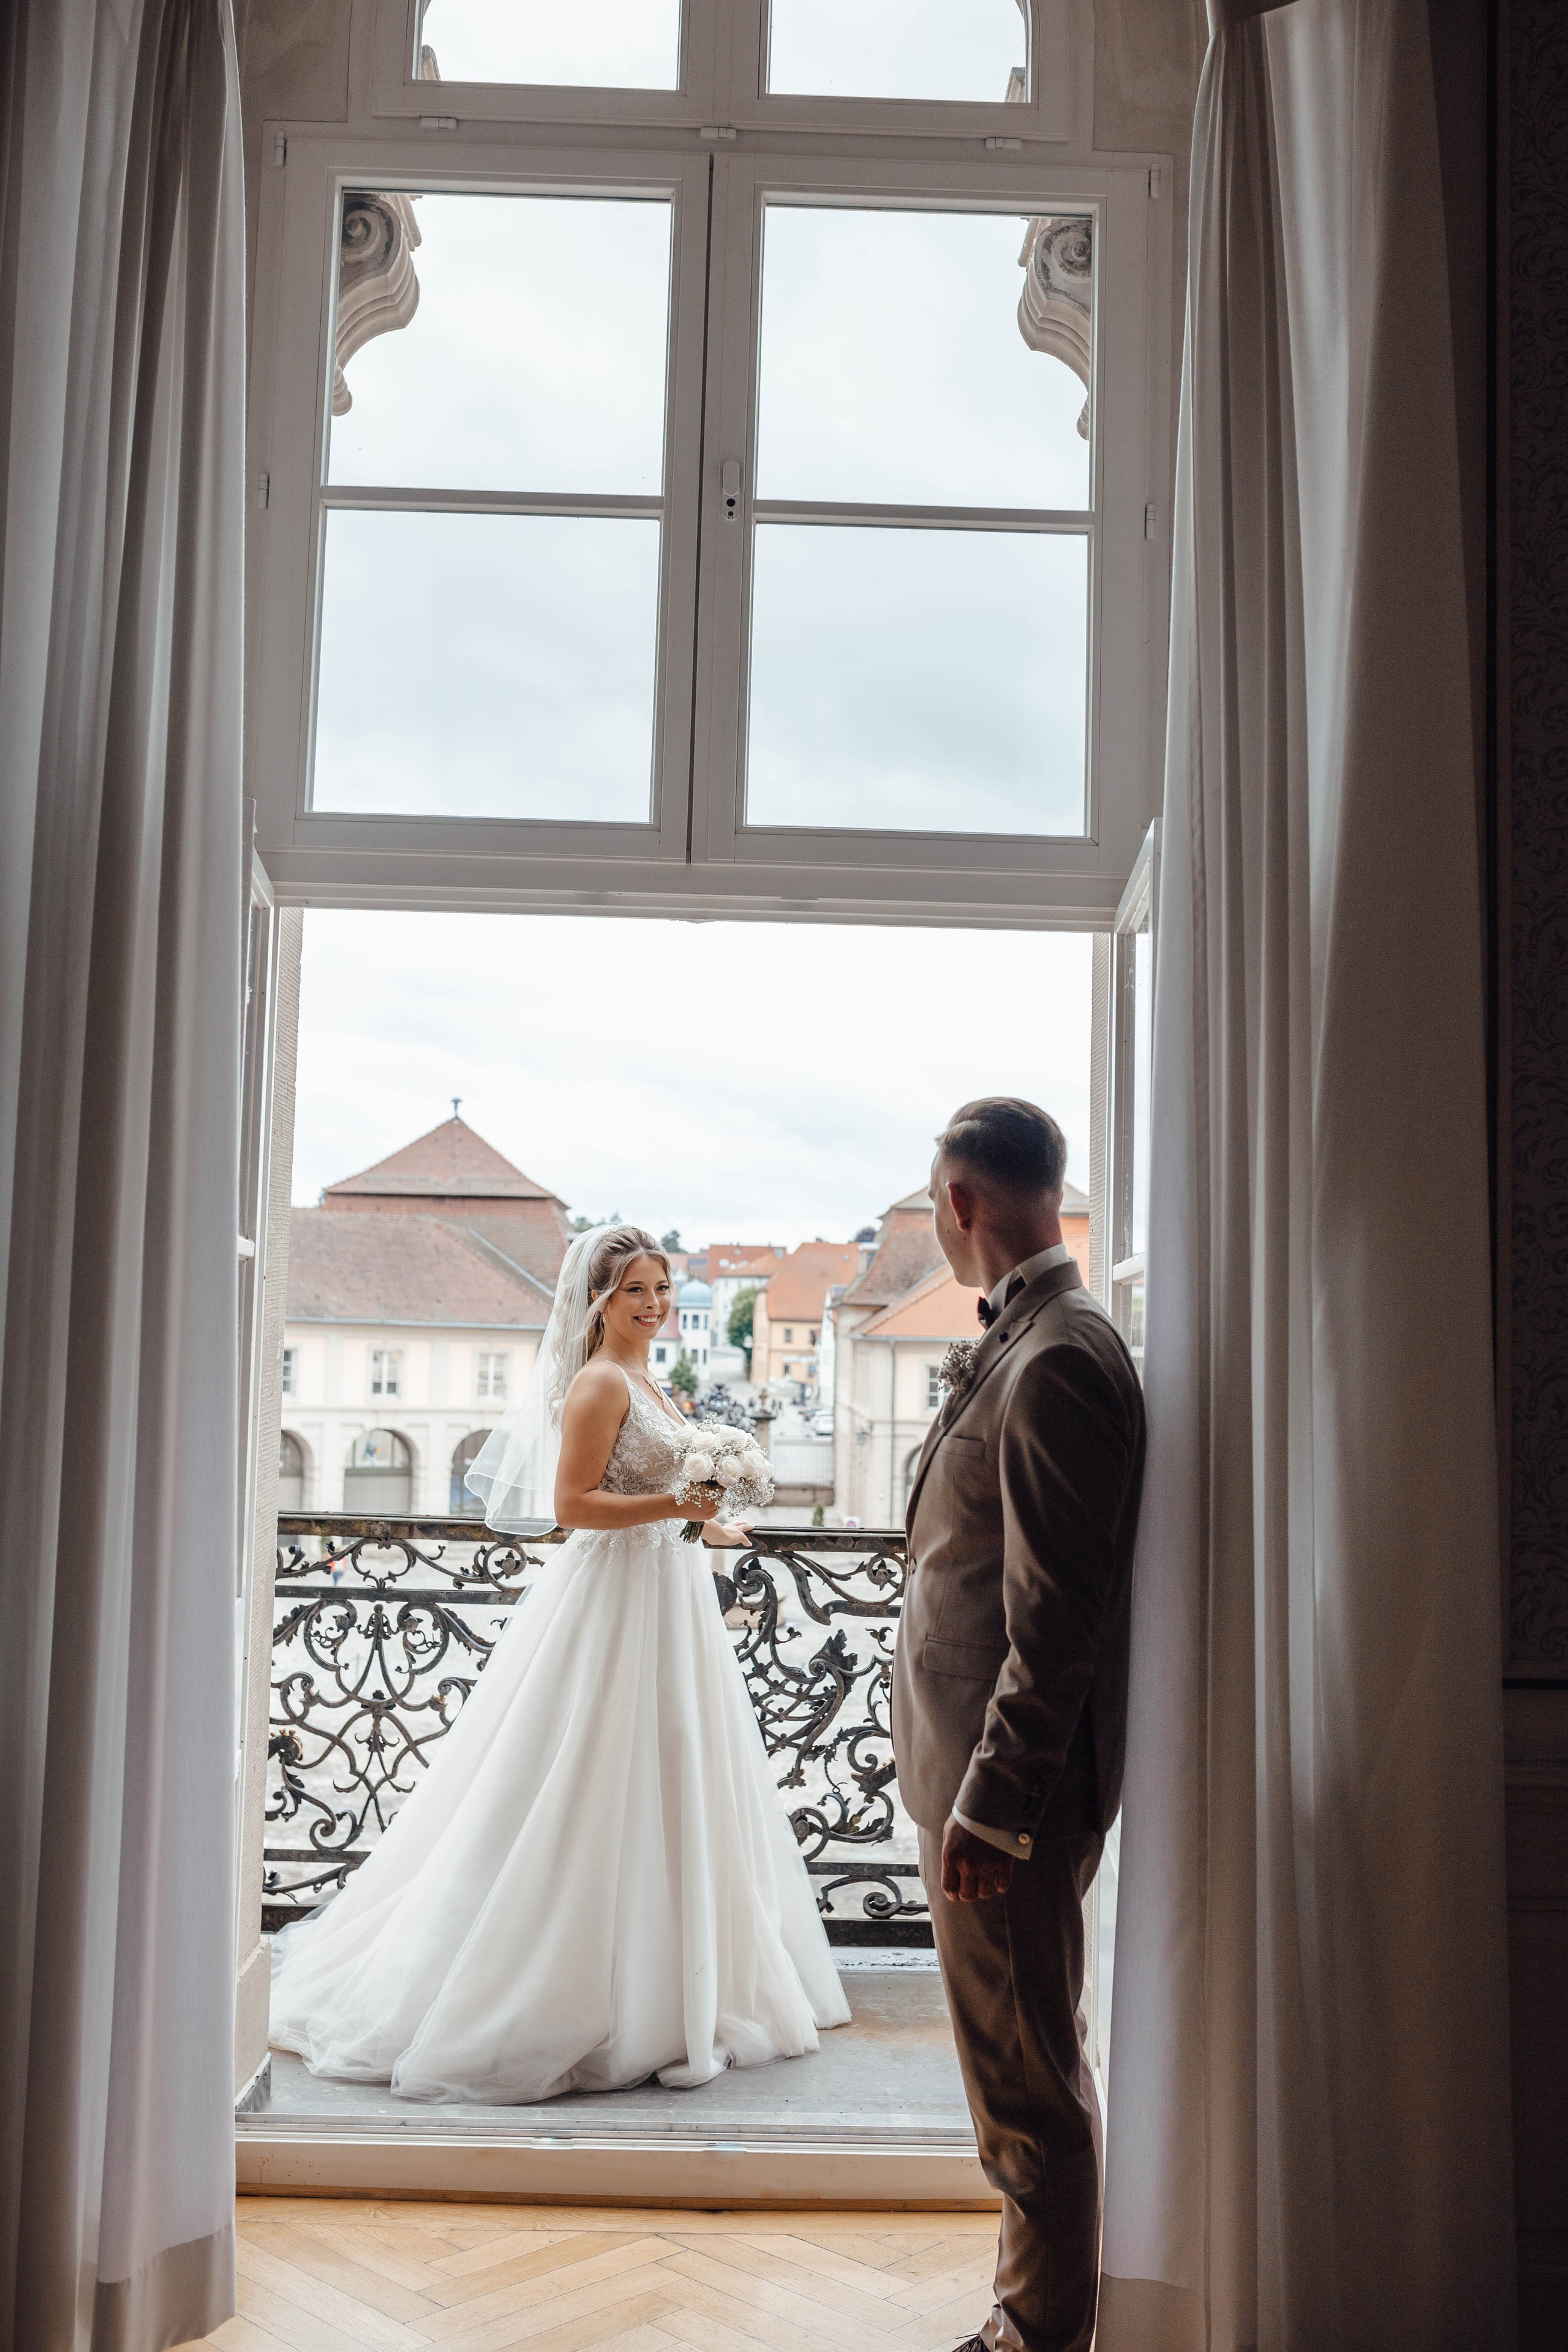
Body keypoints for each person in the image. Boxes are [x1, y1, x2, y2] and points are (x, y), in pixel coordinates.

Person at [270, 1224, 848, 2103]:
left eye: (661, 1288)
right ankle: (575, 1986)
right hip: (615, 1602)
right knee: (585, 1774)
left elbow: (651, 1496)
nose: (654, 1305)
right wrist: (680, 1500)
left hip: (668, 1593)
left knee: (670, 1774)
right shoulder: (598, 1382)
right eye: (636, 1293)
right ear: (597, 1301)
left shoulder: (648, 1374)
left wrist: (707, 1524)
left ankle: (671, 1979)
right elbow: (574, 1507)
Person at [892, 1100, 1146, 2352]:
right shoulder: (1035, 1335)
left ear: (959, 1202)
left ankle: (1039, 2336)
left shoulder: (1055, 1357)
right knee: (1016, 2062)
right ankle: (1024, 2315)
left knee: (1024, 2077)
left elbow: (1056, 1623)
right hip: (972, 1778)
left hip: (1007, 1800)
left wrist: (991, 1804)